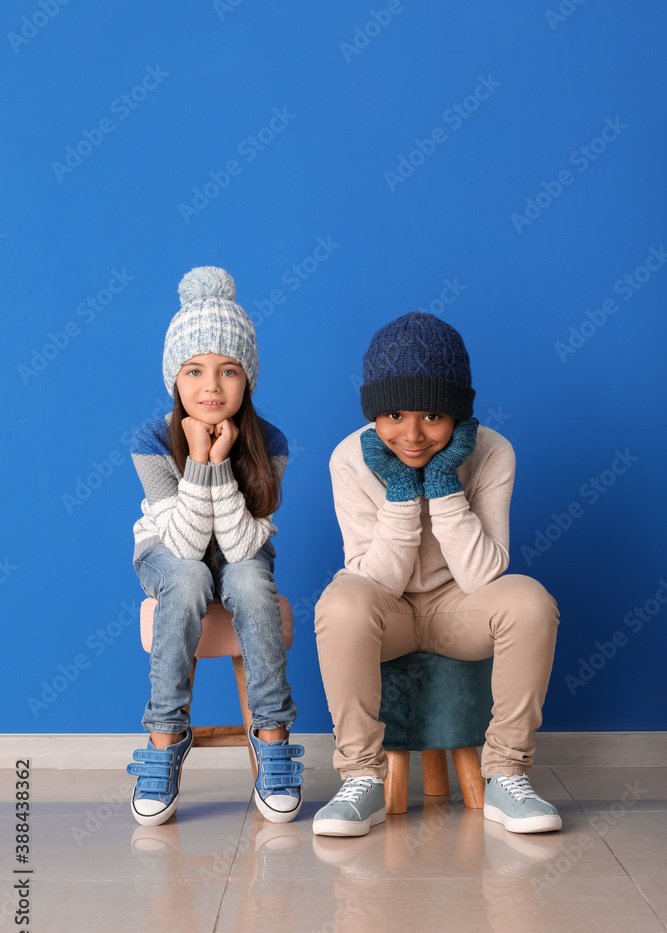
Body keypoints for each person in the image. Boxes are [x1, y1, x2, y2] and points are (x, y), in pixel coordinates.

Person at [313, 312, 561, 837]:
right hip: (389, 611)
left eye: (432, 416)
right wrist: (403, 492)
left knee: (530, 599)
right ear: (374, 412)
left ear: (457, 413)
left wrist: (444, 485)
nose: (412, 435)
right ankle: (360, 778)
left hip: (460, 610)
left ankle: (508, 774)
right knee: (341, 600)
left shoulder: (492, 451)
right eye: (395, 414)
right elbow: (373, 581)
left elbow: (483, 574)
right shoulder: (349, 460)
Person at [126, 266, 303, 827]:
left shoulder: (269, 443)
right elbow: (180, 543)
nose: (211, 387)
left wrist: (220, 464)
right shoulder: (152, 441)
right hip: (167, 549)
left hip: (238, 544)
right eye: (194, 371)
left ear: (247, 379)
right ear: (173, 380)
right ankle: (164, 738)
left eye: (228, 372)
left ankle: (272, 735)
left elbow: (245, 540)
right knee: (188, 577)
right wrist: (198, 460)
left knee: (249, 578)